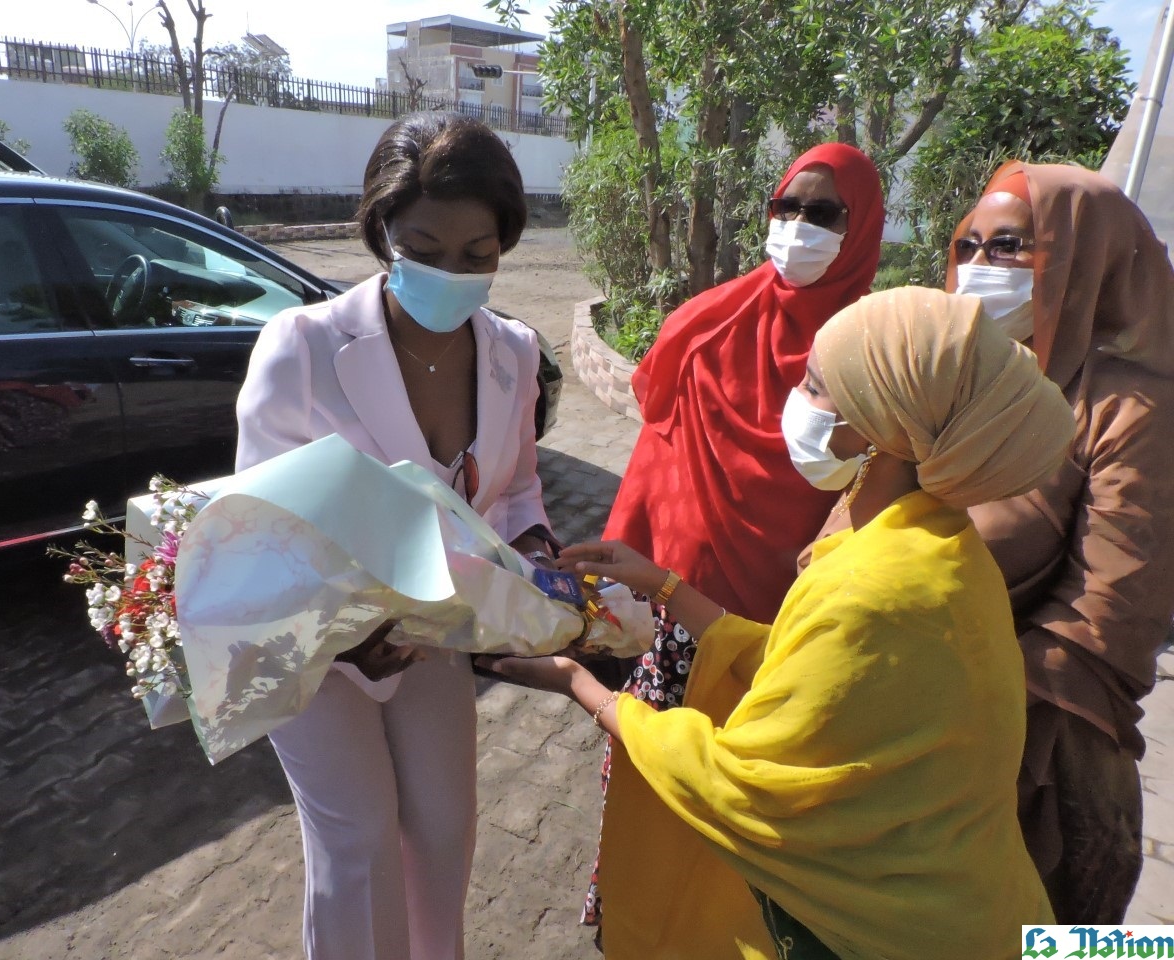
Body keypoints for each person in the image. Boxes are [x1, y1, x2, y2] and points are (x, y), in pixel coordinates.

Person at [481, 287, 1072, 960]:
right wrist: (665, 585)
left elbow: (741, 786)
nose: (796, 398)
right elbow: (803, 669)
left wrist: (579, 686)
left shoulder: (878, 586)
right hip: (966, 896)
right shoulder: (934, 543)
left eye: (817, 386)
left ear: (882, 427)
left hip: (894, 934)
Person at [235, 112, 557, 960]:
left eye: (477, 255)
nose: (452, 273)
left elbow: (516, 486)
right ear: (382, 231)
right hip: (314, 648)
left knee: (445, 829)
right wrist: (353, 633)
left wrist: (536, 558)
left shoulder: (514, 354)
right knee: (360, 841)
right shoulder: (301, 349)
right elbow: (263, 532)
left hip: (430, 636)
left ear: (504, 248)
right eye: (425, 246)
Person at [580, 142, 884, 927]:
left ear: (863, 230)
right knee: (654, 795)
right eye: (787, 208)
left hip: (780, 640)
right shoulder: (715, 321)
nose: (798, 227)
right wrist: (617, 584)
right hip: (672, 617)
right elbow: (658, 444)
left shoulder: (875, 356)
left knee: (746, 824)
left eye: (824, 214)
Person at [948, 162, 1174, 922]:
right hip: (915, 727)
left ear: (1087, 256)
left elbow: (1107, 614)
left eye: (1009, 246)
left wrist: (946, 702)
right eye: (969, 245)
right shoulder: (974, 370)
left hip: (1030, 764)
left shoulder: (1134, 407)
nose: (980, 268)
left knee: (1049, 943)